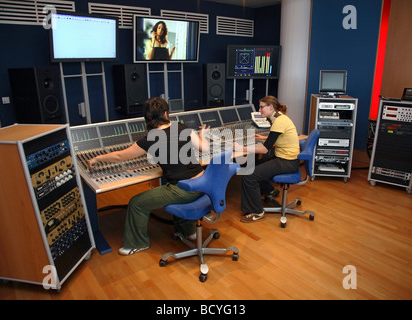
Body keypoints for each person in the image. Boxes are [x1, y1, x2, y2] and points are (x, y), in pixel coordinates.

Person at [87, 97, 210, 255]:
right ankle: (188, 231)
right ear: (166, 113)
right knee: (170, 182)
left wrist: (98, 158)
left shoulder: (150, 139)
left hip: (185, 190)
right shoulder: (181, 127)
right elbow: (204, 149)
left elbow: (120, 157)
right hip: (204, 184)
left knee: (136, 203)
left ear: (147, 118)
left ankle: (137, 244)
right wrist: (202, 134)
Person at [234, 96, 300, 223]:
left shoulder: (279, 121)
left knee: (249, 175)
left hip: (287, 162)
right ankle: (269, 190)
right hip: (286, 159)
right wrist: (264, 138)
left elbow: (264, 149)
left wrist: (241, 147)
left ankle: (257, 212)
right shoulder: (280, 117)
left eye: (261, 107)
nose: (259, 110)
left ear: (270, 107)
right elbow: (278, 138)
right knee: (251, 165)